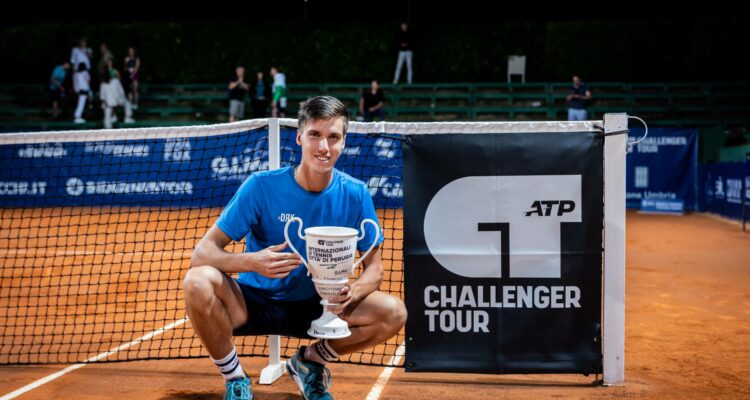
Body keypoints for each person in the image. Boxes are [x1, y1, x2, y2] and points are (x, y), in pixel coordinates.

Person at [183, 96, 407, 400]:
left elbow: (376, 268)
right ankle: (235, 377)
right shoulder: (261, 186)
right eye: (315, 134)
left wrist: (351, 294)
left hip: (319, 307)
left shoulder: (355, 194)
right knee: (197, 281)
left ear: (343, 142)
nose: (323, 147)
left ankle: (309, 362)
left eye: (333, 137)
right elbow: (202, 254)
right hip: (252, 303)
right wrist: (253, 262)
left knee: (392, 313)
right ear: (300, 136)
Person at [100, 59, 134, 128]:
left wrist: (104, 103)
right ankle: (127, 117)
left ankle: (108, 127)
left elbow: (102, 97)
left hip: (109, 103)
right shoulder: (116, 81)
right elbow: (121, 92)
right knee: (127, 103)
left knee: (107, 115)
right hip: (116, 101)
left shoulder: (103, 84)